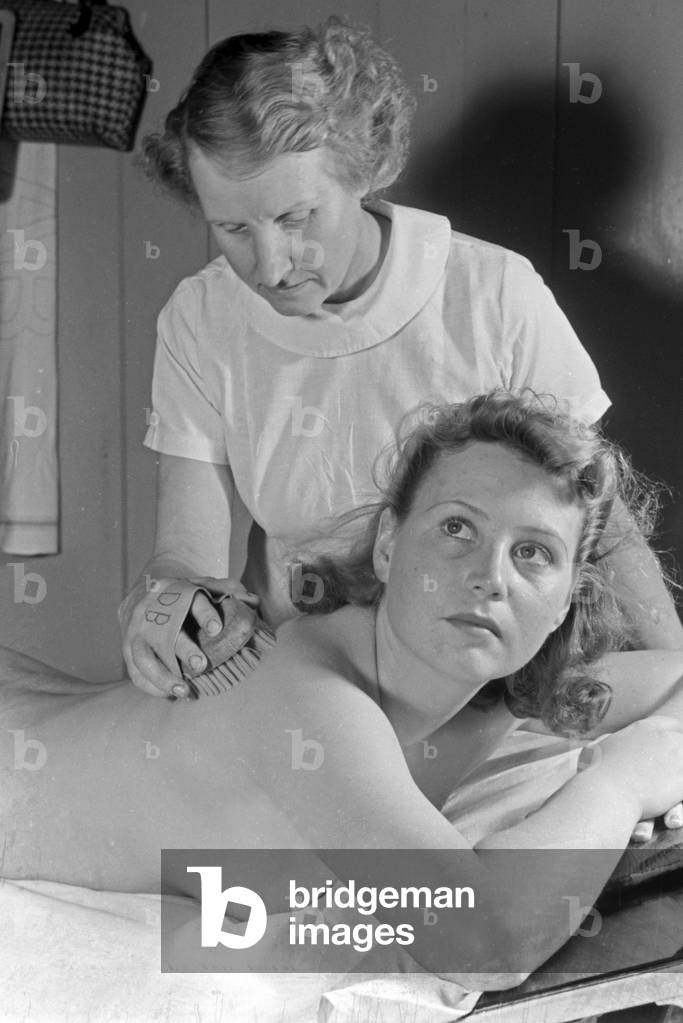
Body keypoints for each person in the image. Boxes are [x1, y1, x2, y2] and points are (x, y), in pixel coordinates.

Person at [3, 393, 683, 981]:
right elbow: (482, 941)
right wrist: (624, 779)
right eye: (456, 528)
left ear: (566, 599)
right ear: (388, 544)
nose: (489, 576)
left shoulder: (485, 689)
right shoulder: (310, 694)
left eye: (531, 552)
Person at [120, 18, 683, 699]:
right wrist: (162, 610)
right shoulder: (200, 317)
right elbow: (185, 559)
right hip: (307, 678)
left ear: (363, 168)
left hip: (480, 684)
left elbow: (596, 512)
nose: (269, 265)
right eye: (233, 228)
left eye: (298, 217)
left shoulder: (489, 293)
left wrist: (674, 675)